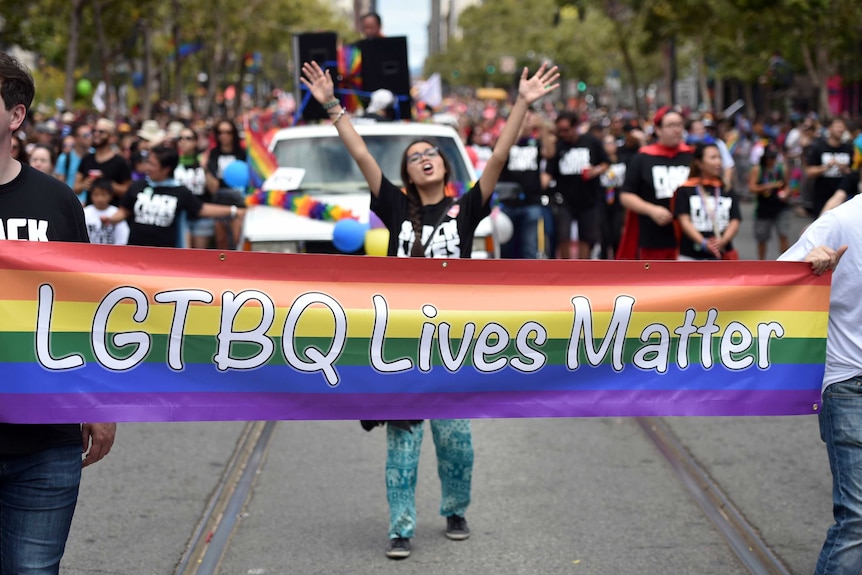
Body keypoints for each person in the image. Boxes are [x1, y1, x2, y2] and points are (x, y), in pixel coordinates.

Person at [301, 58, 559, 559]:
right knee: (404, 440)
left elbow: (500, 156)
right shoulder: (396, 207)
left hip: (455, 342)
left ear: (444, 166)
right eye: (415, 155)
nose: (424, 158)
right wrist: (331, 104)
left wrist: (523, 103)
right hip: (401, 340)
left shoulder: (466, 208)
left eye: (432, 153)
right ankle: (400, 527)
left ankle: (455, 507)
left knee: (456, 440)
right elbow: (358, 151)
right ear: (406, 172)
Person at [0, 50, 116, 575]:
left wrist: (102, 402)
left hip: (45, 442)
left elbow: (86, 310)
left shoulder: (57, 202)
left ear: (15, 115)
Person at [777, 198, 857, 575]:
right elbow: (773, 283)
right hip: (850, 384)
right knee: (857, 520)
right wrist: (809, 267)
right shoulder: (842, 221)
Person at [102, 144, 245, 247]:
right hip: (136, 252)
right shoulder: (137, 186)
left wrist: (234, 211)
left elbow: (202, 209)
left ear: (166, 169)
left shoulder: (179, 191)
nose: (147, 168)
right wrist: (111, 219)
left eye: (152, 164)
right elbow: (125, 210)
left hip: (165, 256)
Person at [618, 106, 694, 260]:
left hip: (690, 239)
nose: (677, 130)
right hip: (653, 238)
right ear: (658, 130)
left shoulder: (692, 157)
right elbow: (626, 195)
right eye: (671, 125)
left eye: (679, 125)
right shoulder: (643, 158)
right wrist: (651, 210)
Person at [547, 111, 610, 259]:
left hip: (589, 198)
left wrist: (596, 170)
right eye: (560, 131)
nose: (563, 134)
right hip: (564, 199)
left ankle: (582, 269)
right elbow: (550, 170)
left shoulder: (591, 141)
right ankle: (565, 269)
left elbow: (606, 162)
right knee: (563, 235)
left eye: (566, 130)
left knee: (586, 237)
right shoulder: (558, 145)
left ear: (575, 127)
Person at [673, 142, 742, 260]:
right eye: (713, 158)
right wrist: (704, 243)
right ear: (699, 163)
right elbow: (684, 221)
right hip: (691, 256)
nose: (719, 162)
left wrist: (723, 240)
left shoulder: (726, 189)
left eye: (720, 157)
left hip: (722, 254)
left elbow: (735, 220)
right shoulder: (685, 190)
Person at [204, 119, 246, 249]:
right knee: (221, 242)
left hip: (240, 201)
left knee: (237, 239)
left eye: (228, 132)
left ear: (233, 134)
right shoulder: (213, 154)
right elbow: (213, 187)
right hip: (220, 202)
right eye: (221, 132)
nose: (224, 136)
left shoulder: (242, 153)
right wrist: (205, 168)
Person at [74, 118, 132, 206]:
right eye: (95, 131)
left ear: (112, 138)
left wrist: (109, 185)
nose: (96, 134)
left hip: (112, 214)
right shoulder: (87, 159)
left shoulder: (120, 162)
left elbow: (128, 191)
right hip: (90, 212)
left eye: (101, 132)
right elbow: (76, 188)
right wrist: (84, 184)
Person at [805, 117, 852, 218]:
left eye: (842, 127)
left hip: (843, 199)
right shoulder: (818, 148)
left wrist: (845, 170)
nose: (840, 129)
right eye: (837, 126)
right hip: (821, 198)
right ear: (830, 129)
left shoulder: (849, 148)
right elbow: (809, 172)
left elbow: (854, 173)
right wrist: (827, 167)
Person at [174, 126, 213, 249]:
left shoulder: (204, 161)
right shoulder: (172, 161)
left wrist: (205, 168)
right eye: (180, 138)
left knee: (200, 259)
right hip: (180, 216)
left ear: (195, 141)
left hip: (201, 216)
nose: (183, 141)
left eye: (188, 138)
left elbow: (213, 189)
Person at [748, 147, 791, 259]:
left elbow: (788, 186)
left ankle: (785, 263)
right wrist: (767, 187)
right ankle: (762, 263)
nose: (771, 160)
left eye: (773, 158)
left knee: (783, 234)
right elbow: (752, 187)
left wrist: (785, 193)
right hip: (764, 207)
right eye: (769, 158)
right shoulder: (758, 169)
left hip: (780, 206)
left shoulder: (781, 169)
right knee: (762, 238)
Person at [83, 177, 129, 245]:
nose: (100, 198)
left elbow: (122, 235)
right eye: (96, 194)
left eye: (103, 194)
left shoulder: (116, 213)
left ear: (111, 195)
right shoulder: (85, 212)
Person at [55, 123, 92, 189]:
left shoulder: (95, 156)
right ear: (76, 138)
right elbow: (60, 185)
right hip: (72, 197)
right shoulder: (64, 158)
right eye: (86, 135)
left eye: (90, 134)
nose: (89, 138)